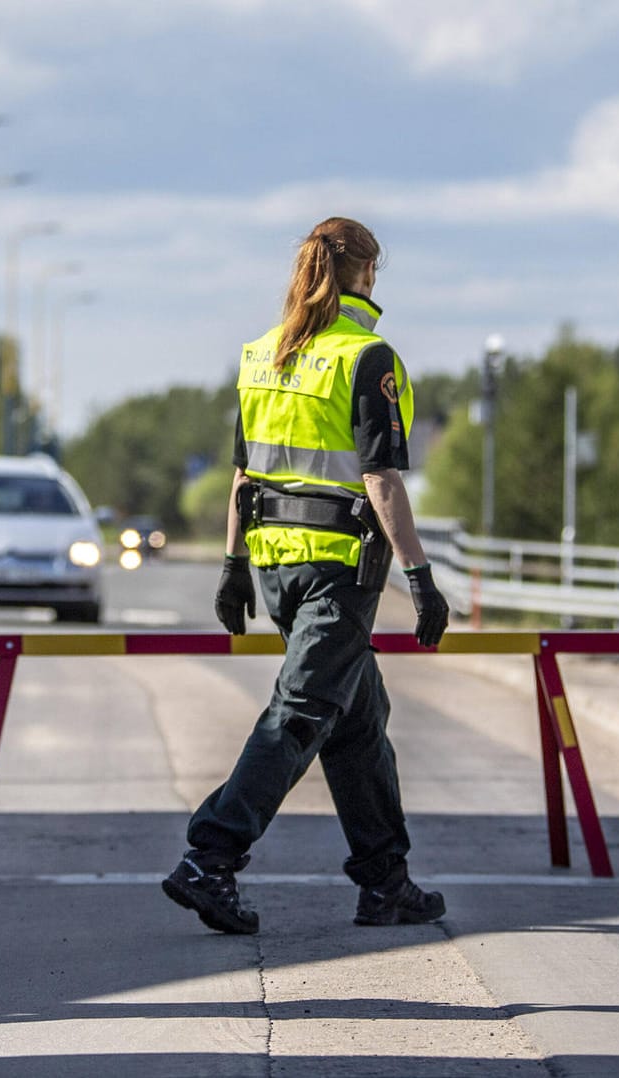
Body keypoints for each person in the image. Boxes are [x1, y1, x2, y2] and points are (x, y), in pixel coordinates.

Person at [163, 217, 451, 935]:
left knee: (357, 722)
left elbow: (243, 474)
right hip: (338, 570)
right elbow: (380, 479)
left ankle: (386, 880)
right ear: (366, 273)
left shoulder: (264, 356)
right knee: (299, 713)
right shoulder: (367, 356)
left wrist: (233, 568)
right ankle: (213, 856)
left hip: (275, 569)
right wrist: (419, 577)